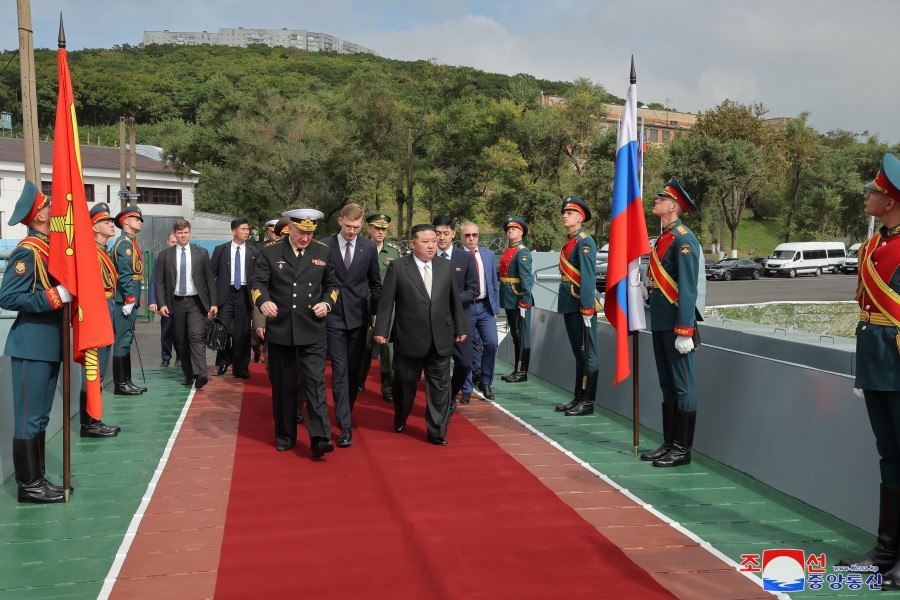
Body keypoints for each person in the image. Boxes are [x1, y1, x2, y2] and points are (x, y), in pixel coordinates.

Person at [838, 153, 900, 589]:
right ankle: (887, 549)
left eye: (875, 190)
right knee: (890, 457)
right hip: (879, 361)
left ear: (892, 200)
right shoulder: (874, 245)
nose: (868, 195)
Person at [0, 181, 70, 503]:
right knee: (29, 417)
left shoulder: (47, 248)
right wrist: (54, 296)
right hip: (30, 344)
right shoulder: (27, 252)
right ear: (39, 216)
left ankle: (38, 478)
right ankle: (28, 485)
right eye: (48, 206)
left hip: (49, 343)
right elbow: (8, 296)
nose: (52, 209)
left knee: (40, 416)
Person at [251, 209, 339, 458]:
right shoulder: (270, 252)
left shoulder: (323, 252)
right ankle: (285, 435)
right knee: (284, 386)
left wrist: (327, 303)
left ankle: (320, 437)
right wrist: (263, 302)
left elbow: (332, 285)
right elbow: (258, 283)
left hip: (312, 327)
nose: (305, 238)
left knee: (315, 383)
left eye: (310, 233)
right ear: (290, 228)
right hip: (282, 329)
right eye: (301, 232)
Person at [374, 224, 468, 445]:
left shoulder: (445, 266)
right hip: (409, 337)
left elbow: (454, 299)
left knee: (440, 387)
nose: (431, 246)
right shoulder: (398, 267)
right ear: (413, 244)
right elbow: (387, 303)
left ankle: (437, 431)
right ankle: (401, 415)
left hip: (440, 337)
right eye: (426, 242)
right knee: (405, 383)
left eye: (434, 241)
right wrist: (381, 331)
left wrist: (461, 327)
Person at [640, 178, 702, 467]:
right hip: (661, 321)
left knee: (683, 386)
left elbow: (689, 288)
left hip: (678, 326)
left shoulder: (684, 239)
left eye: (661, 198)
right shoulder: (663, 239)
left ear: (674, 206)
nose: (656, 201)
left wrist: (685, 330)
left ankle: (682, 448)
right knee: (667, 384)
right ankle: (669, 443)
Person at [322, 203, 382, 448]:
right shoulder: (325, 245)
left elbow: (375, 283)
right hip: (333, 316)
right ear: (340, 221)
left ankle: (346, 408)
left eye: (357, 228)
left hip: (359, 317)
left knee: (355, 372)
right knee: (339, 371)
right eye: (348, 226)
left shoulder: (368, 248)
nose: (352, 231)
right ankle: (345, 425)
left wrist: (377, 313)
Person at [154, 219, 218, 390]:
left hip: (196, 302)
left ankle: (201, 373)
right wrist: (161, 303)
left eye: (186, 232)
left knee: (197, 337)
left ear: (190, 233)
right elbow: (159, 281)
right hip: (175, 303)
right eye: (179, 233)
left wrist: (213, 303)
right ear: (175, 234)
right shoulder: (164, 255)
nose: (183, 235)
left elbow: (210, 279)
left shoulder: (202, 253)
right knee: (180, 340)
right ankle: (188, 373)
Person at [553, 196, 600, 417]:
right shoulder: (569, 243)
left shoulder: (585, 242)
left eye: (569, 213)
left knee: (588, 353)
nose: (565, 215)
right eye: (564, 212)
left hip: (581, 305)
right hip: (569, 303)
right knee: (578, 353)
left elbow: (588, 278)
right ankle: (578, 397)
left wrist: (587, 307)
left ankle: (588, 401)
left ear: (580, 218)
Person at [79, 203, 122, 438]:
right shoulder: (91, 254)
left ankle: (94, 419)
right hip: (96, 315)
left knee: (100, 372)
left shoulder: (102, 252)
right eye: (106, 222)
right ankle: (89, 423)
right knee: (93, 371)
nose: (110, 225)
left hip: (106, 312)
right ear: (94, 226)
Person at [432, 215, 479, 410]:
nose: (441, 237)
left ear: (453, 234)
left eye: (445, 233)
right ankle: (441, 402)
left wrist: (452, 300)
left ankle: (451, 394)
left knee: (465, 363)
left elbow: (473, 289)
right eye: (438, 233)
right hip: (434, 320)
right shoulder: (427, 256)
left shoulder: (465, 258)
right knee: (437, 365)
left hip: (459, 319)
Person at [358, 213, 401, 403]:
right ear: (369, 229)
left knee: (387, 348)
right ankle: (358, 380)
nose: (381, 232)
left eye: (384, 229)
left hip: (387, 305)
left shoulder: (393, 252)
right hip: (363, 303)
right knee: (363, 345)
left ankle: (388, 387)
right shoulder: (360, 249)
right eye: (377, 228)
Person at [211, 218, 259, 379]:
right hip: (225, 295)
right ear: (234, 231)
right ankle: (224, 361)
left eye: (248, 229)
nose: (247, 232)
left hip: (245, 295)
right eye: (243, 229)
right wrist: (212, 301)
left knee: (243, 333)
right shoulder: (221, 250)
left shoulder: (254, 252)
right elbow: (212, 275)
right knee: (223, 330)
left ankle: (241, 367)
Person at [459, 221, 500, 401]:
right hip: (465, 308)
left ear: (478, 235)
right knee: (466, 348)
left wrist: (495, 308)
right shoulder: (456, 256)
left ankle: (485, 381)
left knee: (491, 343)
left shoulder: (488, 255)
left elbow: (494, 283)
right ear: (461, 237)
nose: (471, 238)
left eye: (474, 235)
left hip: (485, 307)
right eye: (467, 235)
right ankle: (466, 387)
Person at [111, 205, 147, 395]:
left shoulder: (131, 243)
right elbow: (125, 275)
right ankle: (120, 383)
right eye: (136, 219)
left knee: (127, 338)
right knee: (122, 340)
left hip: (129, 297)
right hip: (124, 299)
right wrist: (129, 299)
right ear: (125, 221)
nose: (140, 221)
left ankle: (127, 380)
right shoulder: (124, 244)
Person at [499, 217, 534, 383]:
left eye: (514, 229)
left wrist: (525, 301)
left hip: (518, 298)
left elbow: (526, 278)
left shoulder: (523, 252)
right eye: (508, 229)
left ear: (521, 232)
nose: (510, 231)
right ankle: (517, 369)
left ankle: (522, 371)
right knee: (515, 334)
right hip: (509, 298)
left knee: (522, 336)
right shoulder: (509, 250)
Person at [148, 232, 177, 367]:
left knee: (182, 333)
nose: (174, 244)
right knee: (166, 331)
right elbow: (154, 280)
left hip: (184, 301)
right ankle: (165, 357)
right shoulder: (161, 257)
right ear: (167, 242)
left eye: (176, 242)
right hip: (166, 302)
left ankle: (181, 357)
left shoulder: (188, 257)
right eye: (172, 242)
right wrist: (153, 301)